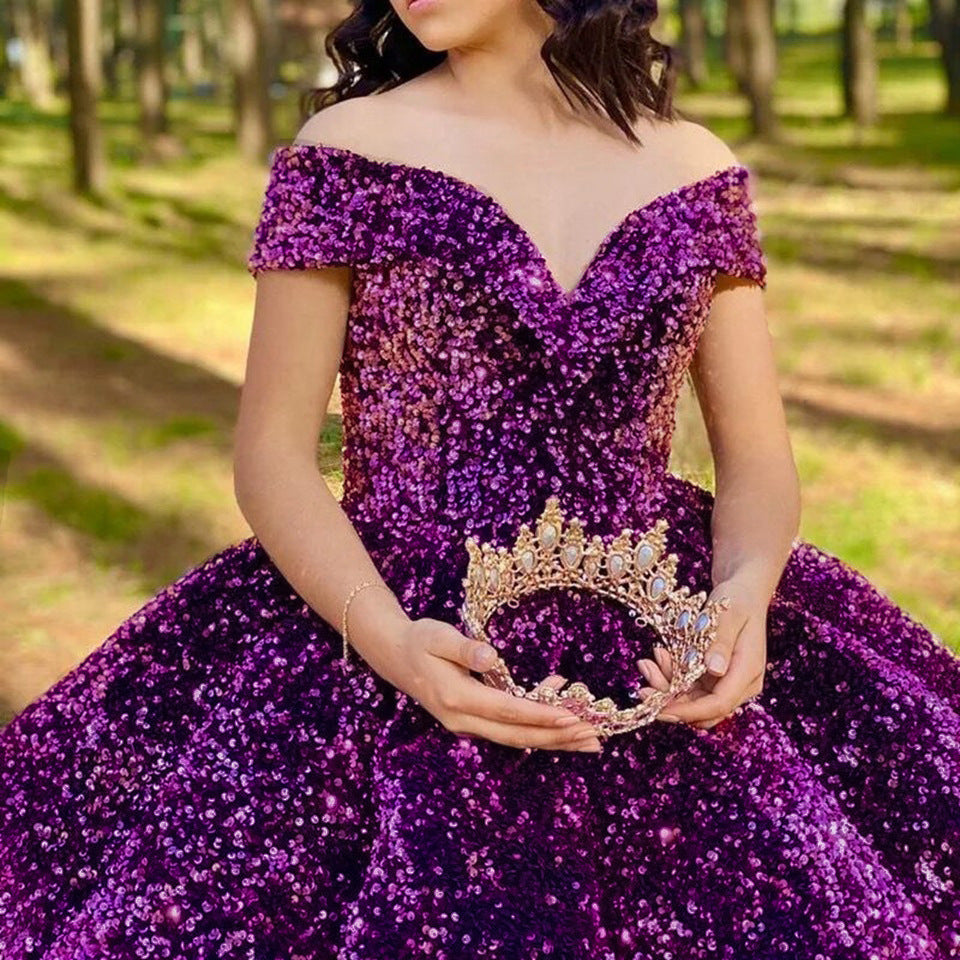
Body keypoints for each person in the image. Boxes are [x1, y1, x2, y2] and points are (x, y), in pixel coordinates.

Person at [2, 1, 960, 957]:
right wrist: (392, 648)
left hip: (651, 634)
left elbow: (757, 462)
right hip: (386, 616)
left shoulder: (693, 169)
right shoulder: (349, 152)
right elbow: (272, 461)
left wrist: (743, 600)